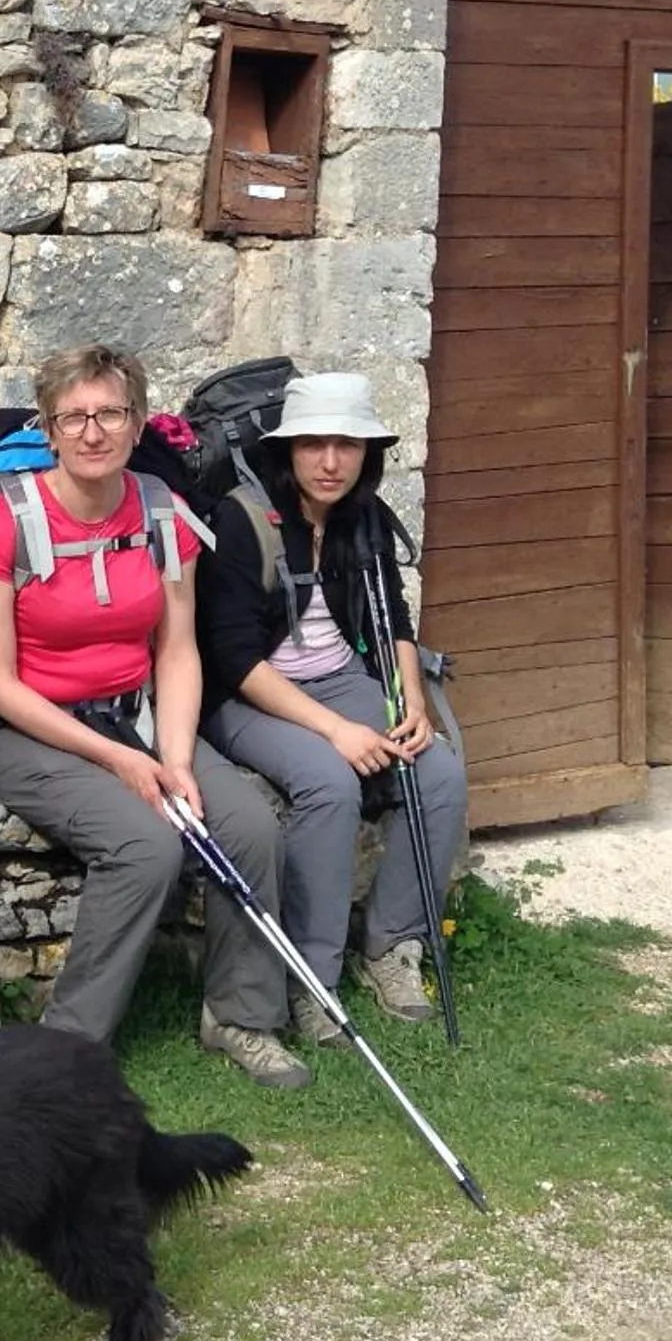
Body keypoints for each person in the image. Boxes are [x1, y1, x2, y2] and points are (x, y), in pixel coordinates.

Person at [0, 342, 305, 1089]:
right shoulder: (0, 522)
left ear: (138, 422)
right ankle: (68, 1050)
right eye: (73, 416)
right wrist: (120, 760)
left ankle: (241, 1015)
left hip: (137, 714)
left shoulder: (159, 510)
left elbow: (177, 650)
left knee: (247, 825)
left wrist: (174, 755)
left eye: (110, 412)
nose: (92, 431)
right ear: (48, 429)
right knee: (146, 845)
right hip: (31, 726)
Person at [197, 370, 470, 1044]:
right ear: (287, 448)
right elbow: (233, 658)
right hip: (250, 695)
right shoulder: (243, 517)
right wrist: (337, 731)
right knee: (327, 781)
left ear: (366, 453)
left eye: (346, 445)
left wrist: (409, 703)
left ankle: (391, 944)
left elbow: (393, 622)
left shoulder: (363, 516)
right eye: (314, 444)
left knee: (436, 772)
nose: (330, 461)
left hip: (338, 677)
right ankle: (313, 977)